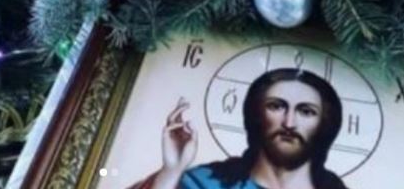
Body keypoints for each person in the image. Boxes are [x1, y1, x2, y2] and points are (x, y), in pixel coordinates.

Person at [130, 68, 348, 189]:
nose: (289, 123)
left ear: (325, 124)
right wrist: (171, 172)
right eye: (276, 106)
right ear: (256, 115)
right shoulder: (202, 184)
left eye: (306, 111)